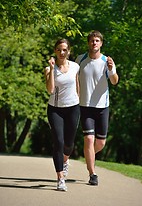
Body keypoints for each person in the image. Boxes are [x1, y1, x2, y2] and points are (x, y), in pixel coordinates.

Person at [76, 30, 118, 186]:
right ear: (88, 43)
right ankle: (92, 174)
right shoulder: (80, 59)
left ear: (101, 43)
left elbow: (114, 81)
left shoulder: (107, 61)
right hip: (85, 106)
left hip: (102, 107)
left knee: (100, 144)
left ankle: (88, 154)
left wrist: (112, 69)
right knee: (88, 139)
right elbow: (74, 80)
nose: (94, 43)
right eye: (92, 40)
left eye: (97, 41)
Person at [44, 39, 80, 191]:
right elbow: (50, 89)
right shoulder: (49, 68)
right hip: (55, 110)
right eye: (59, 49)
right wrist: (52, 69)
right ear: (55, 51)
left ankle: (65, 161)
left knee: (69, 144)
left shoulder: (75, 67)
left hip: (73, 108)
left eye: (64, 50)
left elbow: (78, 87)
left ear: (68, 51)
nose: (61, 52)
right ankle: (60, 178)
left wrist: (80, 103)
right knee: (58, 142)